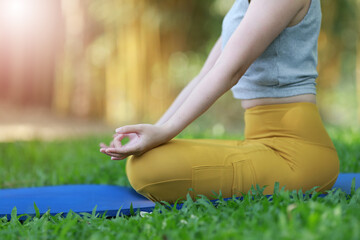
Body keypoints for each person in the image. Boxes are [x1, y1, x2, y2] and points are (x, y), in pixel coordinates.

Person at [100, 0, 340, 203]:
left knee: (149, 169)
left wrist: (166, 131)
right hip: (260, 142)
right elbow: (206, 74)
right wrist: (154, 131)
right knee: (146, 158)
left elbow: (231, 71)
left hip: (298, 155)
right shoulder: (242, 5)